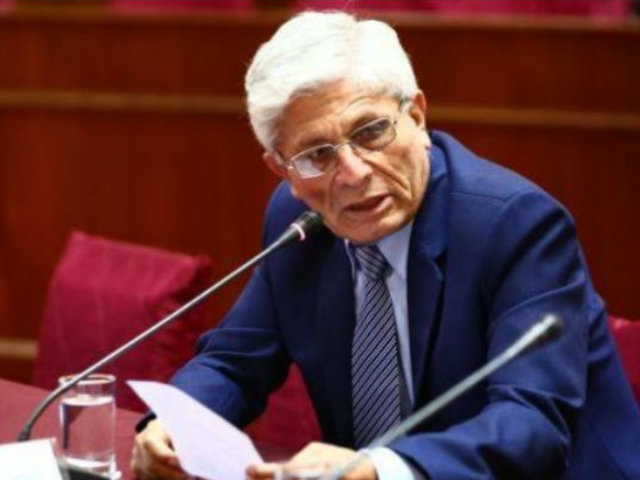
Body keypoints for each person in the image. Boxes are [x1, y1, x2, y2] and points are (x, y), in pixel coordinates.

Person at [131, 11, 640, 480]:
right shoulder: (299, 223)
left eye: (371, 131)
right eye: (316, 155)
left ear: (416, 115)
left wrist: (380, 468)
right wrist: (175, 424)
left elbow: (532, 424)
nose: (353, 173)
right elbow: (234, 362)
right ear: (282, 169)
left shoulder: (516, 225)